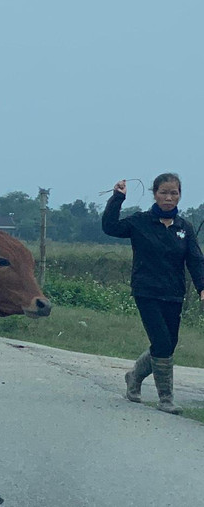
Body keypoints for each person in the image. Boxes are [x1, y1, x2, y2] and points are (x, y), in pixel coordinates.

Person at [102, 173, 204, 413]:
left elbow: (196, 260)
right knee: (161, 342)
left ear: (180, 195)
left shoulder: (184, 227)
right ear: (155, 194)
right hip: (146, 291)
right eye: (163, 193)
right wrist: (117, 198)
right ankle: (166, 399)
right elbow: (110, 227)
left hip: (174, 293)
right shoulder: (140, 222)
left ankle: (134, 377)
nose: (168, 198)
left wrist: (202, 287)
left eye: (174, 193)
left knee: (168, 344)